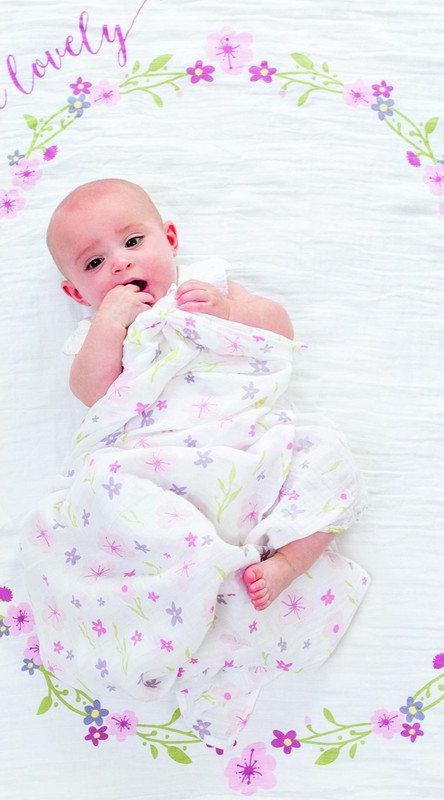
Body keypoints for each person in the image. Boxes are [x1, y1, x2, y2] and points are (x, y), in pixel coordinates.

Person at [47, 178, 349, 612]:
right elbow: (91, 391)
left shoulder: (207, 285)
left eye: (132, 242)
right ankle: (190, 575)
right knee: (104, 489)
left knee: (327, 456)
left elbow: (279, 329)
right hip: (160, 463)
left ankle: (288, 561)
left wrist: (230, 311)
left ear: (169, 239)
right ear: (76, 292)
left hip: (252, 442)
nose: (120, 263)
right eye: (95, 263)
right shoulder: (100, 332)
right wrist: (110, 322)